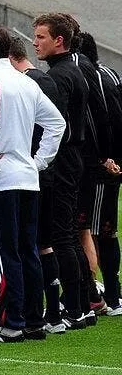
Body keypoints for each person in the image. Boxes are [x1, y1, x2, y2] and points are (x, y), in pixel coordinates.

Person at [0, 23, 65, 343]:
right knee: (28, 250)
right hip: (26, 177)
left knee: (4, 252)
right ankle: (34, 320)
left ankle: (11, 323)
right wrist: (38, 161)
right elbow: (56, 123)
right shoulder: (25, 81)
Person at [33, 13, 90, 328]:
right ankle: (82, 303)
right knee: (68, 234)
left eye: (41, 37)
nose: (35, 43)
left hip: (62, 160)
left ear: (59, 40)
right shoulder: (72, 70)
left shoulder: (58, 76)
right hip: (73, 158)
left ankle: (74, 309)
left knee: (60, 236)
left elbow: (55, 125)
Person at [8, 36, 66, 336]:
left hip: (31, 173)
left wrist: (38, 161)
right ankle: (54, 313)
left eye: (40, 35)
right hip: (42, 170)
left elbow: (55, 124)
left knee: (31, 244)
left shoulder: (28, 83)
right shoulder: (44, 80)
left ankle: (31, 315)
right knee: (43, 243)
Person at [74, 31, 122, 315]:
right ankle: (108, 295)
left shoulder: (91, 77)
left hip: (99, 165)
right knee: (102, 230)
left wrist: (106, 157)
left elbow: (104, 118)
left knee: (93, 231)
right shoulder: (112, 74)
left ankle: (101, 297)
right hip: (106, 163)